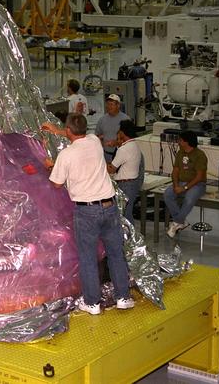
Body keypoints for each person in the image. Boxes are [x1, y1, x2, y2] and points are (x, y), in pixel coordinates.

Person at [45, 113, 134, 315]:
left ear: (68, 130)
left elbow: (56, 183)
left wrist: (50, 166)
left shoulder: (66, 155)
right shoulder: (94, 142)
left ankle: (92, 303)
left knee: (87, 257)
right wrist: (58, 131)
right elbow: (77, 134)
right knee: (115, 253)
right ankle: (123, 298)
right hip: (109, 206)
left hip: (87, 211)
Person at [164, 130, 207, 238]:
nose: (178, 142)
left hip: (197, 184)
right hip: (181, 182)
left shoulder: (200, 155)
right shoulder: (180, 153)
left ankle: (177, 222)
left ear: (187, 142)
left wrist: (185, 188)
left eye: (180, 140)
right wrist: (176, 185)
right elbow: (175, 171)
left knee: (189, 199)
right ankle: (181, 221)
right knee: (167, 194)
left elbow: (199, 177)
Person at [107, 119, 144, 226]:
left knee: (125, 214)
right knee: (127, 212)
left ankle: (130, 234)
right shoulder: (134, 145)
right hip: (132, 183)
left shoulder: (123, 149)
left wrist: (101, 162)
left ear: (122, 133)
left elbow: (111, 169)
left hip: (125, 185)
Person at [95, 94, 130, 161]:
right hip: (106, 155)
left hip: (121, 155)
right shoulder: (102, 119)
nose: (108, 106)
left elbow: (130, 139)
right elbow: (97, 135)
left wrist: (116, 143)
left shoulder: (126, 119)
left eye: (111, 104)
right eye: (107, 104)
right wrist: (101, 141)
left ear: (118, 105)